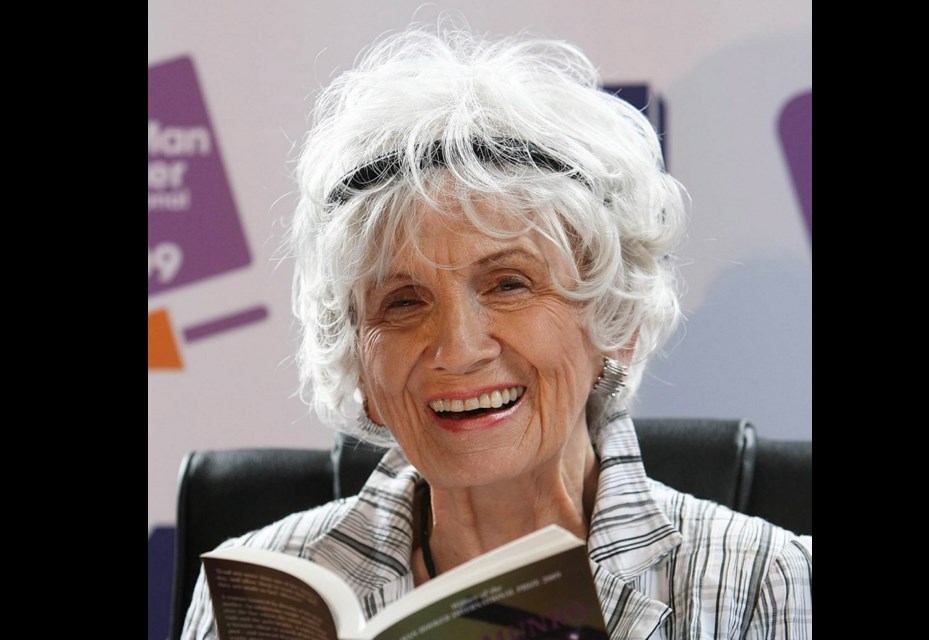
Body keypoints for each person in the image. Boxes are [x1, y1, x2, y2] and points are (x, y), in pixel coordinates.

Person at [181, 22, 812, 640]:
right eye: (402, 302)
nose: (458, 349)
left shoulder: (762, 583)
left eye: (509, 284)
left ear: (613, 319)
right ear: (361, 367)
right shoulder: (255, 602)